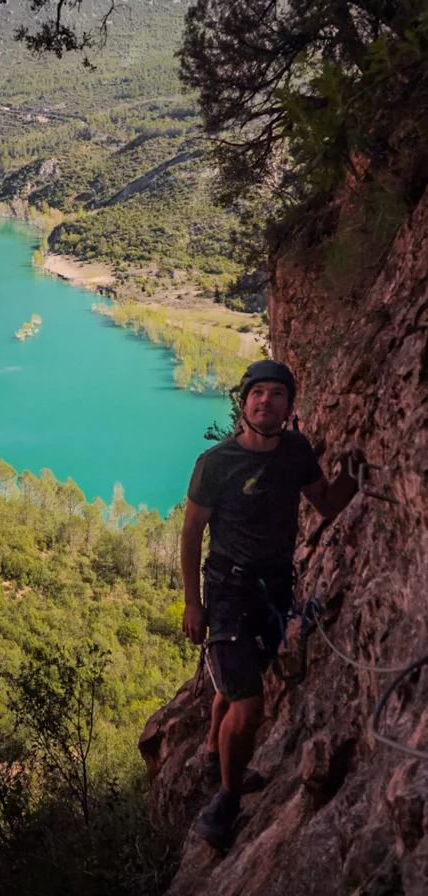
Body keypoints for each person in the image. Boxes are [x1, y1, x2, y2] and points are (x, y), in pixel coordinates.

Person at [181, 359, 363, 848]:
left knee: (238, 682)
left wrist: (354, 473)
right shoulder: (216, 463)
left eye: (276, 394)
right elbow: (193, 530)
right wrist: (192, 603)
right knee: (250, 701)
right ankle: (227, 797)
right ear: (244, 403)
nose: (266, 401)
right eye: (257, 393)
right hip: (226, 592)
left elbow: (325, 501)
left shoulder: (296, 451)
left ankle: (208, 753)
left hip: (273, 591)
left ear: (288, 405)